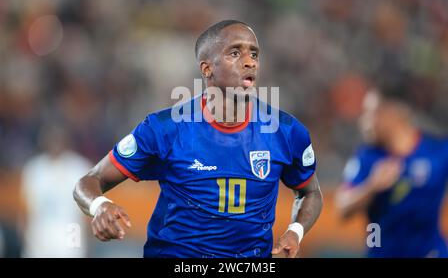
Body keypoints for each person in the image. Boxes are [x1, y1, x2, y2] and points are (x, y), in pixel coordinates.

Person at [73, 20, 323, 258]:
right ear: (207, 68)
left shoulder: (287, 132)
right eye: (235, 53)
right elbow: (89, 181)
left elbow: (310, 192)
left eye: (254, 54)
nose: (249, 62)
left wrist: (295, 231)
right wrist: (100, 207)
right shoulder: (164, 129)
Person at [335, 88, 448, 257]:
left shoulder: (436, 152)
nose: (364, 121)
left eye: (371, 114)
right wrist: (372, 187)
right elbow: (342, 207)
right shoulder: (367, 157)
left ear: (393, 114)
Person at [22, 124, 91, 257]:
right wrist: (29, 239)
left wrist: (85, 239)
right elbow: (26, 210)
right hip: (41, 232)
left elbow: (87, 211)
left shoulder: (79, 167)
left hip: (72, 231)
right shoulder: (34, 168)